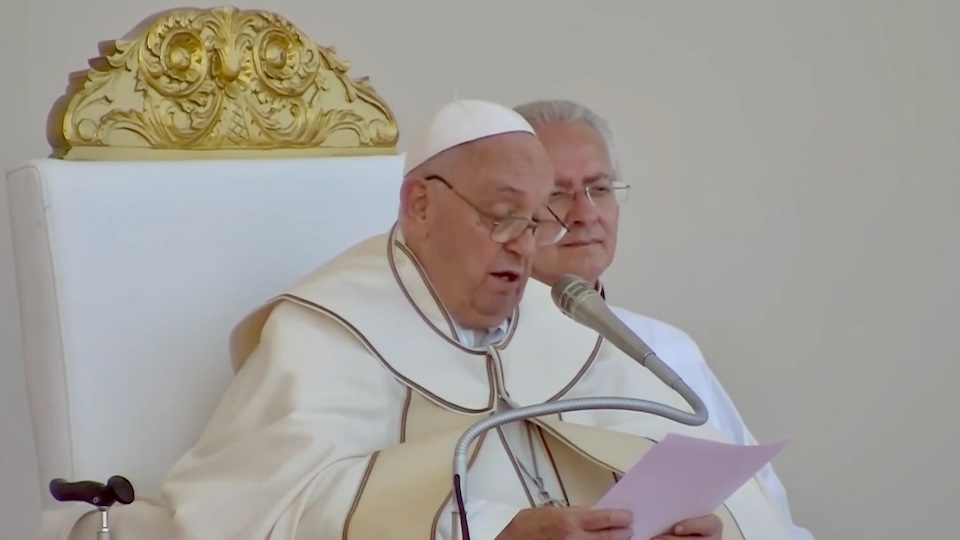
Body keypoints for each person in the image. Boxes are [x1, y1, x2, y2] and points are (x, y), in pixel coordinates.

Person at [155, 99, 796, 540]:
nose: (523, 242)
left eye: (535, 220)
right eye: (501, 214)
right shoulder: (329, 330)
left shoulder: (567, 328)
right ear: (422, 206)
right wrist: (491, 530)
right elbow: (260, 512)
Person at [513, 98, 814, 540]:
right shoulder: (470, 354)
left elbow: (767, 511)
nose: (584, 213)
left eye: (599, 189)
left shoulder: (666, 348)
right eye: (557, 193)